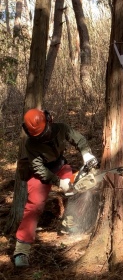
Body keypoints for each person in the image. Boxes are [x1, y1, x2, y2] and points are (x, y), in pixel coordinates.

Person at [13, 108, 98, 269]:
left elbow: (78, 139)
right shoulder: (31, 144)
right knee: (35, 206)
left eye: (44, 133)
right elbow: (39, 169)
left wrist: (87, 154)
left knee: (79, 186)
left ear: (49, 121)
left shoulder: (61, 128)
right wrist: (59, 182)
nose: (44, 137)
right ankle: (21, 250)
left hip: (59, 164)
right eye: (40, 136)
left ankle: (70, 223)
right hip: (39, 173)